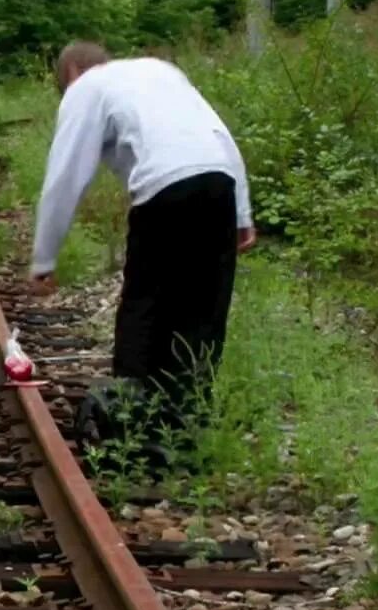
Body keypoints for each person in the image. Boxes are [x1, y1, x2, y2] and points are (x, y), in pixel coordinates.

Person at [30, 41, 258, 444]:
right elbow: (219, 134)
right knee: (202, 314)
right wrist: (241, 214)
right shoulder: (162, 71)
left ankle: (129, 422)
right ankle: (186, 431)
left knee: (146, 306)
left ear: (71, 74)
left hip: (164, 189)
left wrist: (44, 258)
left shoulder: (86, 87)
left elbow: (66, 173)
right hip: (218, 183)